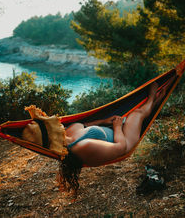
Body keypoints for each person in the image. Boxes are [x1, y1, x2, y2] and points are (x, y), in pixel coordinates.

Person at [21, 81, 169, 195]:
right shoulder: (81, 147)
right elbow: (120, 148)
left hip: (116, 130)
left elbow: (84, 124)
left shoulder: (68, 132)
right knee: (136, 115)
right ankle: (153, 97)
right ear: (52, 136)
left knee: (135, 115)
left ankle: (155, 101)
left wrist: (103, 122)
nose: (58, 123)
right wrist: (117, 127)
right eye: (53, 125)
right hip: (124, 142)